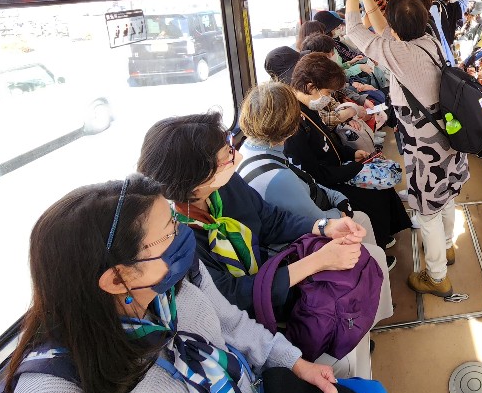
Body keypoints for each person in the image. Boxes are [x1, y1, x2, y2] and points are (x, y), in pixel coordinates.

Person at [8, 177, 396, 393]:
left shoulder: (179, 281)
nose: (184, 237)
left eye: (177, 222)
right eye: (169, 233)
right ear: (117, 278)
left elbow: (233, 325)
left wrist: (295, 363)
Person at [136, 113, 378, 378]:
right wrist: (318, 261)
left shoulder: (224, 187)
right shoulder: (176, 242)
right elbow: (234, 297)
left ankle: (351, 332)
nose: (237, 158)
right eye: (226, 157)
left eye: (230, 148)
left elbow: (269, 218)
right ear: (195, 181)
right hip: (250, 316)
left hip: (268, 277)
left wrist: (323, 226)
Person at [346, 0, 470, 298]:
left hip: (424, 146)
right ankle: (447, 246)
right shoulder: (429, 40)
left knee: (427, 211)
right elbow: (382, 22)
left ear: (395, 29)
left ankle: (437, 276)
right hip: (448, 137)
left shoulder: (398, 53)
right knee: (447, 195)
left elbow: (354, 28)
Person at [237, 81, 394, 317]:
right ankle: (369, 307)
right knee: (368, 237)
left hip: (301, 218)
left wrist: (338, 198)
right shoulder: (277, 178)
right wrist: (341, 210)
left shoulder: (253, 150)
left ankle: (373, 291)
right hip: (293, 249)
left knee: (361, 218)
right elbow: (316, 220)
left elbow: (307, 180)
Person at [283, 54, 412, 254]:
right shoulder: (295, 126)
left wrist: (351, 155)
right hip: (324, 183)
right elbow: (315, 174)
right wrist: (354, 169)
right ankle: (374, 249)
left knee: (381, 184)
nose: (328, 98)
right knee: (372, 195)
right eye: (327, 93)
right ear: (310, 87)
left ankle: (385, 234)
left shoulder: (309, 108)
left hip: (334, 168)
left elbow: (328, 141)